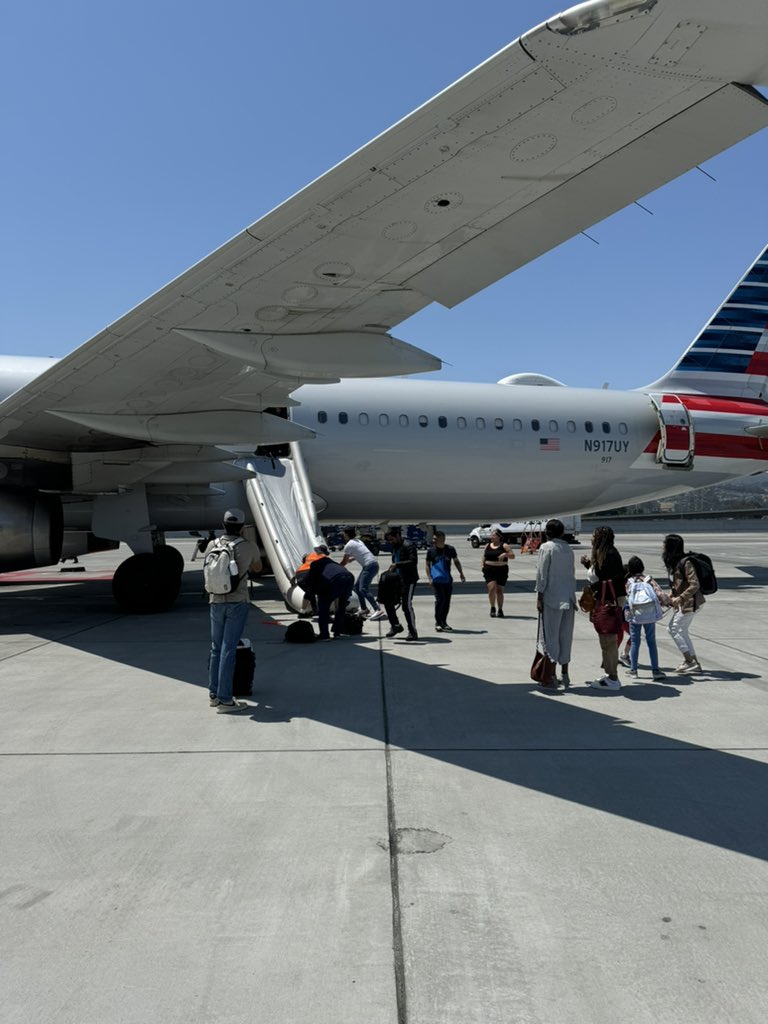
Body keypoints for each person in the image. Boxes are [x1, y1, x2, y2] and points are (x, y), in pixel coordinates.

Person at [207, 508, 262, 712]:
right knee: (229, 649)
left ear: (223, 525)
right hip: (237, 601)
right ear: (242, 527)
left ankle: (214, 694)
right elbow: (257, 569)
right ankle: (225, 699)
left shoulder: (213, 544)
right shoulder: (248, 546)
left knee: (216, 648)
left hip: (215, 600)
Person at [581, 525, 625, 690]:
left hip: (608, 601)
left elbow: (613, 578)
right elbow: (605, 575)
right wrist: (588, 565)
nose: (591, 538)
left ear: (601, 537)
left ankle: (613, 678)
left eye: (593, 535)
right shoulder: (604, 553)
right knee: (606, 639)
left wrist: (594, 588)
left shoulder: (610, 554)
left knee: (608, 640)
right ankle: (610, 674)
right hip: (605, 599)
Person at [534, 519, 577, 688]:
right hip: (568, 597)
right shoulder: (568, 549)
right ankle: (565, 674)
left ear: (547, 532)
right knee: (565, 637)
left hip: (552, 598)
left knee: (549, 637)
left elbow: (542, 574)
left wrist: (539, 596)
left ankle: (549, 676)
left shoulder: (546, 547)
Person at [662, 533, 704, 673]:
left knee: (673, 629)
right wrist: (669, 597)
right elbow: (678, 585)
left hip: (691, 602)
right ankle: (694, 663)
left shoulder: (686, 563)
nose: (663, 547)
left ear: (671, 547)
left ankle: (689, 661)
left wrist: (680, 598)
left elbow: (695, 584)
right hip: (685, 603)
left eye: (665, 544)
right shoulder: (675, 564)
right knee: (681, 631)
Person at [624, 555, 668, 681]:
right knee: (651, 641)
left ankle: (633, 670)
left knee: (635, 641)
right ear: (642, 567)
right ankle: (655, 670)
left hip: (635, 615)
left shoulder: (629, 582)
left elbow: (626, 597)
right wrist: (668, 602)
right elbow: (660, 594)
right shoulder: (649, 580)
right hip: (649, 615)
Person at [304, 552, 355, 640]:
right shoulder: (330, 561)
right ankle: (337, 632)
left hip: (334, 581)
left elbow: (311, 583)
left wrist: (312, 596)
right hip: (349, 577)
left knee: (323, 609)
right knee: (341, 607)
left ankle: (324, 635)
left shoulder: (314, 564)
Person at [340, 527, 385, 621]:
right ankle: (364, 609)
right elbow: (362, 552)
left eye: (344, 534)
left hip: (370, 566)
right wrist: (353, 558)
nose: (343, 536)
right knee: (357, 587)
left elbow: (344, 562)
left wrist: (336, 567)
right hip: (372, 564)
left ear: (347, 535)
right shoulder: (358, 541)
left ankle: (378, 609)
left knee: (363, 589)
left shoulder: (348, 545)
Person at [382, 528, 419, 640]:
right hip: (398, 579)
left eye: (392, 539)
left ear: (398, 535)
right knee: (388, 601)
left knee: (406, 606)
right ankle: (395, 625)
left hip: (409, 580)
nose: (391, 542)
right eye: (389, 540)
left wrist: (397, 565)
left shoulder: (408, 545)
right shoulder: (395, 546)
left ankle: (413, 631)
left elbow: (413, 561)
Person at [425, 531, 465, 631]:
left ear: (441, 539)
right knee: (440, 600)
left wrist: (461, 573)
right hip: (436, 580)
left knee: (446, 602)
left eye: (435, 539)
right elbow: (427, 565)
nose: (433, 541)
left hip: (447, 580)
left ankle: (444, 622)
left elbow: (456, 561)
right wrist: (430, 578)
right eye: (433, 539)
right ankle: (438, 622)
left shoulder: (450, 549)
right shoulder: (431, 551)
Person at [482, 528, 515, 618]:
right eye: (491, 535)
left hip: (502, 570)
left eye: (493, 535)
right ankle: (493, 607)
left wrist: (505, 554)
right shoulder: (487, 545)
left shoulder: (504, 546)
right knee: (491, 589)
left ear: (499, 537)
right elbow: (484, 556)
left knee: (499, 591)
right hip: (489, 569)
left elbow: (513, 556)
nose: (491, 536)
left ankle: (500, 609)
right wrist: (482, 565)